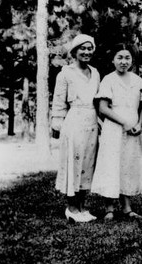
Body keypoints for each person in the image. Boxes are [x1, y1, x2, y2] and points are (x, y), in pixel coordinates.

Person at [91, 43, 142, 220]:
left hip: (133, 130)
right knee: (111, 164)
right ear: (113, 60)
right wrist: (124, 123)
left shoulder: (137, 80)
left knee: (128, 164)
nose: (123, 61)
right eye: (119, 58)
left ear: (132, 60)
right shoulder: (108, 79)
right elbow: (103, 108)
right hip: (114, 128)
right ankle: (109, 208)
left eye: (127, 58)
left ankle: (127, 207)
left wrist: (139, 123)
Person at [51, 34, 100, 222]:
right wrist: (57, 122)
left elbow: (97, 100)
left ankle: (82, 206)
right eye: (82, 49)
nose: (86, 52)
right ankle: (71, 208)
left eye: (89, 49)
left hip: (92, 120)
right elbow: (58, 101)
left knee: (87, 164)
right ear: (74, 51)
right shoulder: (65, 73)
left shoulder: (95, 72)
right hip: (74, 120)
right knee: (74, 162)